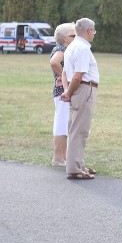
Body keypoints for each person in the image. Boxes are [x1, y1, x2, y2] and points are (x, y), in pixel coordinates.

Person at [60, 18, 100, 180]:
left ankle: (77, 163)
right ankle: (74, 168)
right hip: (84, 89)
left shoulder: (71, 47)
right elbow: (78, 76)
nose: (94, 34)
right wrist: (69, 92)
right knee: (80, 130)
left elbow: (64, 73)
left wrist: (66, 90)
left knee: (75, 128)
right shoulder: (83, 49)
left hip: (76, 89)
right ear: (89, 30)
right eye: (94, 31)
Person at [50, 22, 76, 166]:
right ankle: (58, 157)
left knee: (65, 123)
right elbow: (54, 62)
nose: (76, 37)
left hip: (63, 91)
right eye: (73, 35)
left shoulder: (66, 49)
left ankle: (63, 157)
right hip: (62, 92)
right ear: (65, 38)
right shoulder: (62, 49)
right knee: (61, 124)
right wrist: (64, 77)